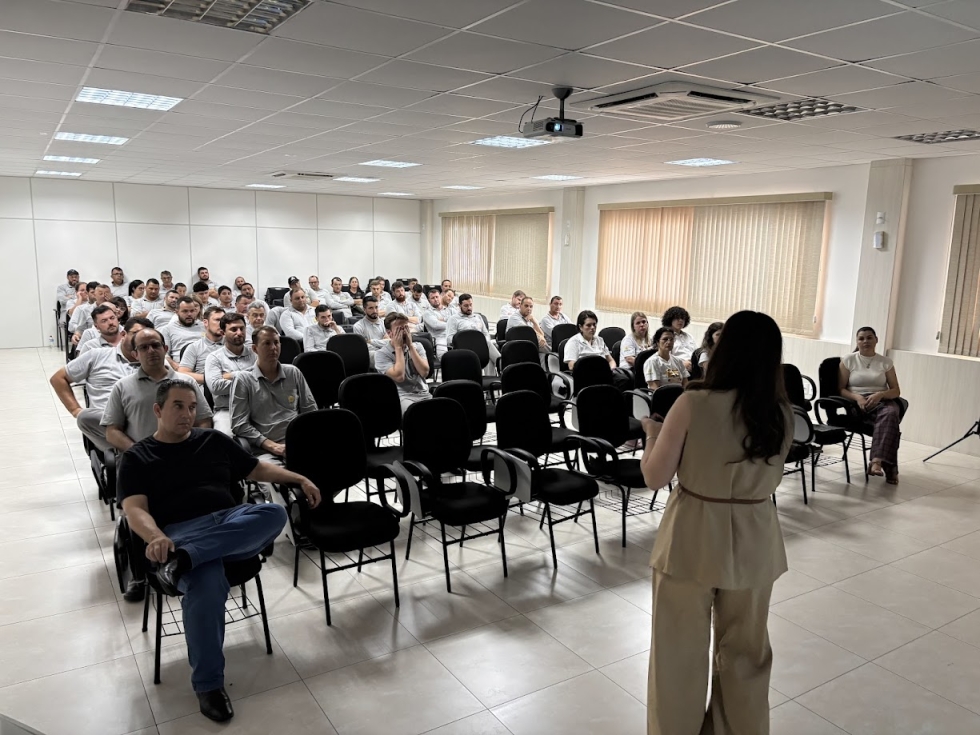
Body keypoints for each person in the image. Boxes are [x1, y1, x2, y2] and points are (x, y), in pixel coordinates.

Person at [118, 378, 321, 723]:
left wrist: (298, 478)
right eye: (178, 407)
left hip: (228, 524)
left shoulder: (213, 440)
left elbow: (256, 469)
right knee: (207, 584)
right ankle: (208, 686)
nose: (187, 414)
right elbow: (134, 508)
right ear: (158, 410)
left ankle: (185, 560)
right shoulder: (138, 457)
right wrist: (154, 536)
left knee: (273, 512)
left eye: (192, 407)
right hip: (178, 533)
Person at [639, 310, 792, 735]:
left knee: (678, 651)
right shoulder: (782, 413)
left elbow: (654, 476)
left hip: (691, 535)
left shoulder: (693, 402)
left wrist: (651, 433)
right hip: (755, 535)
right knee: (746, 651)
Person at [102, 328, 213, 453]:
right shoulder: (122, 386)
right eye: (144, 347)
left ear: (165, 349)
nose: (151, 351)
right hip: (141, 460)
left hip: (184, 455)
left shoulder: (187, 382)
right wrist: (138, 452)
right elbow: (112, 431)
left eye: (155, 345)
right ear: (135, 355)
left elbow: (204, 421)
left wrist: (193, 447)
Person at [51, 316, 149, 451]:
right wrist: (75, 410)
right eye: (136, 333)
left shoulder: (155, 361)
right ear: (123, 334)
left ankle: (138, 453)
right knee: (86, 417)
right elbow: (58, 378)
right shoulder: (97, 355)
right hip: (107, 422)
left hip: (143, 420)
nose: (141, 339)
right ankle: (138, 453)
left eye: (146, 336)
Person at [230, 326, 316, 458]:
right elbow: (239, 425)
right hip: (265, 449)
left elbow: (310, 410)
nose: (273, 348)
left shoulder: (293, 372)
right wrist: (271, 446)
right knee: (286, 478)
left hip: (299, 442)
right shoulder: (243, 379)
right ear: (254, 349)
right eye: (267, 343)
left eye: (276, 342)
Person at [840, 326, 902, 484]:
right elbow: (840, 389)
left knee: (890, 414)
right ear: (857, 341)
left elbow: (896, 390)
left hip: (881, 399)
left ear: (876, 340)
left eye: (869, 337)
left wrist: (881, 394)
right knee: (891, 422)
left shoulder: (885, 362)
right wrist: (857, 397)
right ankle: (889, 469)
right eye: (861, 338)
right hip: (857, 402)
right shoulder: (848, 360)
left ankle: (876, 461)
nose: (865, 341)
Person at [205, 313, 256, 436]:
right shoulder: (214, 358)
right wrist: (250, 377)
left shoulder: (255, 353)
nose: (239, 333)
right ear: (223, 333)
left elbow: (265, 380)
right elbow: (216, 387)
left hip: (256, 407)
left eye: (242, 328)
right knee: (225, 438)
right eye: (233, 329)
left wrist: (231, 375)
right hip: (227, 410)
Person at [375, 312, 431, 413]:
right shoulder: (381, 354)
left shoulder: (418, 346)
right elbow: (399, 377)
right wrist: (398, 347)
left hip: (423, 393)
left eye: (406, 328)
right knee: (416, 413)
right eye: (399, 329)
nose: (404, 332)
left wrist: (410, 346)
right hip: (400, 397)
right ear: (389, 333)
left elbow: (424, 372)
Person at [446, 293, 500, 361]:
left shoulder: (478, 317)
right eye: (466, 306)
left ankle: (499, 362)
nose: (469, 308)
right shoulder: (454, 319)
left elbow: (486, 333)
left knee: (488, 346)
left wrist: (483, 341)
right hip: (465, 347)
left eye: (470, 305)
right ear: (459, 306)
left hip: (480, 345)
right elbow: (449, 339)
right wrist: (466, 342)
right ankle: (501, 364)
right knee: (488, 349)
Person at [179, 306, 225, 385]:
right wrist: (213, 379)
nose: (221, 324)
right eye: (217, 320)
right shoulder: (194, 347)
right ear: (205, 322)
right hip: (205, 390)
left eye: (224, 320)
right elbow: (182, 374)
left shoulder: (233, 345)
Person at [662, 306, 696, 370]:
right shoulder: (664, 337)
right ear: (670, 319)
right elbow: (664, 360)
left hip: (693, 367)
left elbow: (696, 353)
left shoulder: (689, 336)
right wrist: (681, 365)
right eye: (677, 318)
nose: (680, 320)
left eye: (683, 318)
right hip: (675, 369)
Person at [422, 288, 450, 357]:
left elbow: (457, 320)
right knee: (444, 357)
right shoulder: (427, 313)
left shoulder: (450, 310)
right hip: (439, 338)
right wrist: (450, 322)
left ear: (440, 297)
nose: (435, 299)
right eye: (432, 298)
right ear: (429, 301)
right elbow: (436, 325)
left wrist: (444, 320)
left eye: (437, 297)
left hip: (451, 335)